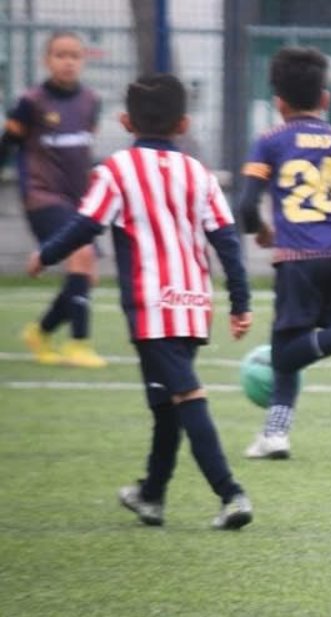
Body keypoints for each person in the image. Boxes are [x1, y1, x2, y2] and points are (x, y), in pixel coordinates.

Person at [27, 73, 254, 529]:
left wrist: (46, 254)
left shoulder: (116, 171)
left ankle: (232, 494)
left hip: (151, 306)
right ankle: (152, 495)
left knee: (185, 393)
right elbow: (226, 239)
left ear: (125, 121)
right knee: (164, 401)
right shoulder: (200, 174)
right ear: (184, 123)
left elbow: (87, 225)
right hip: (192, 301)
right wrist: (240, 301)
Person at [238, 47, 331, 461]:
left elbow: (246, 206)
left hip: (298, 257)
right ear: (325, 99)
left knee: (286, 351)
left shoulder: (269, 142)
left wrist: (261, 231)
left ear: (279, 103)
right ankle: (275, 434)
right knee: (303, 346)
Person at [1, 31, 106, 368]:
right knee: (82, 254)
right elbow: (8, 144)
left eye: (75, 55)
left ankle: (41, 332)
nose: (68, 61)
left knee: (85, 274)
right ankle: (79, 344)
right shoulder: (31, 103)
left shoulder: (91, 101)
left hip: (79, 200)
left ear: (83, 60)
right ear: (47, 60)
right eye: (60, 55)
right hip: (42, 196)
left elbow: (83, 151)